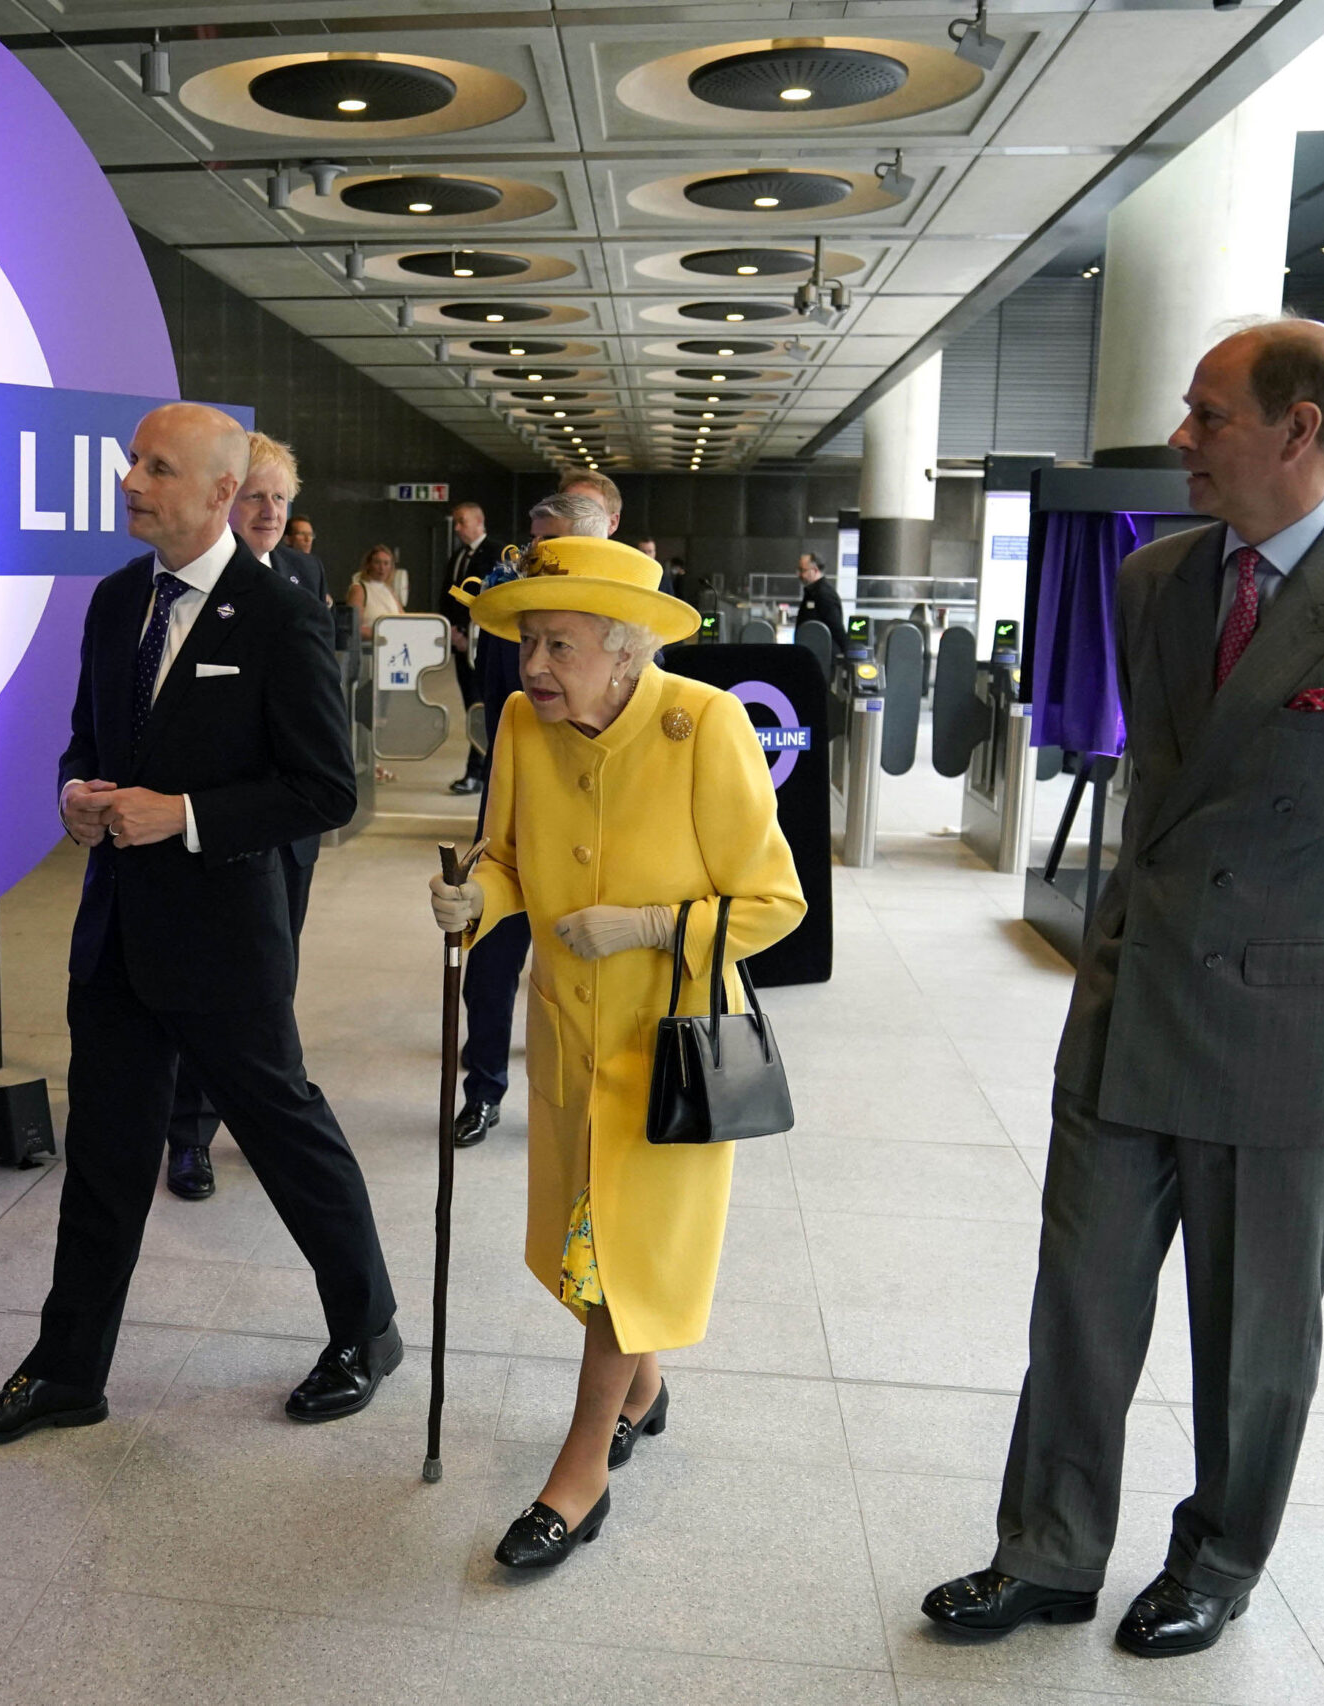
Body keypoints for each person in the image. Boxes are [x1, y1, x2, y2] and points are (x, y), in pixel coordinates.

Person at [923, 318, 1324, 1658]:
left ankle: (1220, 1558)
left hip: (1287, 1028)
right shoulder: (1153, 580)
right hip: (1130, 1003)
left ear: (1300, 433)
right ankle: (1048, 1551)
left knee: (1252, 1343)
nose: (1181, 439)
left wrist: (1301, 924)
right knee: (1078, 1307)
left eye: (1209, 415)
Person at [0, 403, 401, 1444]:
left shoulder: (278, 614)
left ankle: (365, 1329)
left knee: (286, 1137)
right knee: (103, 1154)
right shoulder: (112, 603)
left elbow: (324, 788)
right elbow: (81, 740)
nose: (130, 480)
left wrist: (184, 815)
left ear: (216, 495)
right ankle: (66, 1371)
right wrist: (73, 795)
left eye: (157, 466)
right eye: (132, 461)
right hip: (114, 935)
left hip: (225, 942)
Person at [427, 536, 805, 1568]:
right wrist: (476, 898)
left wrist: (646, 924)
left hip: (668, 1052)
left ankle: (579, 1468)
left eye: (556, 644)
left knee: (620, 1260)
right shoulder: (517, 721)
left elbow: (775, 904)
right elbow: (504, 856)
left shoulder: (703, 725)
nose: (532, 666)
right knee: (586, 1253)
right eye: (525, 642)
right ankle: (644, 1387)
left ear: (626, 653)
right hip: (565, 1034)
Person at [164, 431, 332, 1203]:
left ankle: (260, 1127)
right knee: (205, 994)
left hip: (289, 834)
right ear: (224, 500)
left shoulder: (301, 576)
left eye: (281, 500)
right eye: (255, 497)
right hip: (212, 835)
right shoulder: (190, 592)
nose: (269, 512)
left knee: (271, 988)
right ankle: (188, 1136)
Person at [451, 488, 609, 1150]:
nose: (532, 559)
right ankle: (483, 1090)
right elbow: (497, 694)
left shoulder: (623, 627)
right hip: (519, 808)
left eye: (550, 547)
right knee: (489, 960)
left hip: (604, 833)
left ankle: (598, 1101)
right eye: (531, 545)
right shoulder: (516, 612)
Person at [445, 502, 511, 796]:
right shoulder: (457, 556)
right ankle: (478, 770)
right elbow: (447, 597)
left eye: (462, 522)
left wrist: (468, 631)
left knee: (482, 707)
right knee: (471, 706)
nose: (457, 527)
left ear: (478, 522)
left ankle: (479, 772)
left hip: (481, 644)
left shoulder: (497, 553)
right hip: (459, 646)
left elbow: (494, 598)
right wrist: (451, 630)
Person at [348, 544, 404, 640]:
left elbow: (404, 619)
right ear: (369, 565)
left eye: (386, 563)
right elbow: (354, 626)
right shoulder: (359, 589)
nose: (382, 568)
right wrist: (382, 635)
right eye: (377, 563)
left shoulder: (390, 591)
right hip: (371, 647)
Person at [793, 552, 844, 639]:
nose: (800, 575)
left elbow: (837, 629)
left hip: (821, 649)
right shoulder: (813, 592)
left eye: (803, 570)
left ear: (815, 570)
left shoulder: (824, 594)